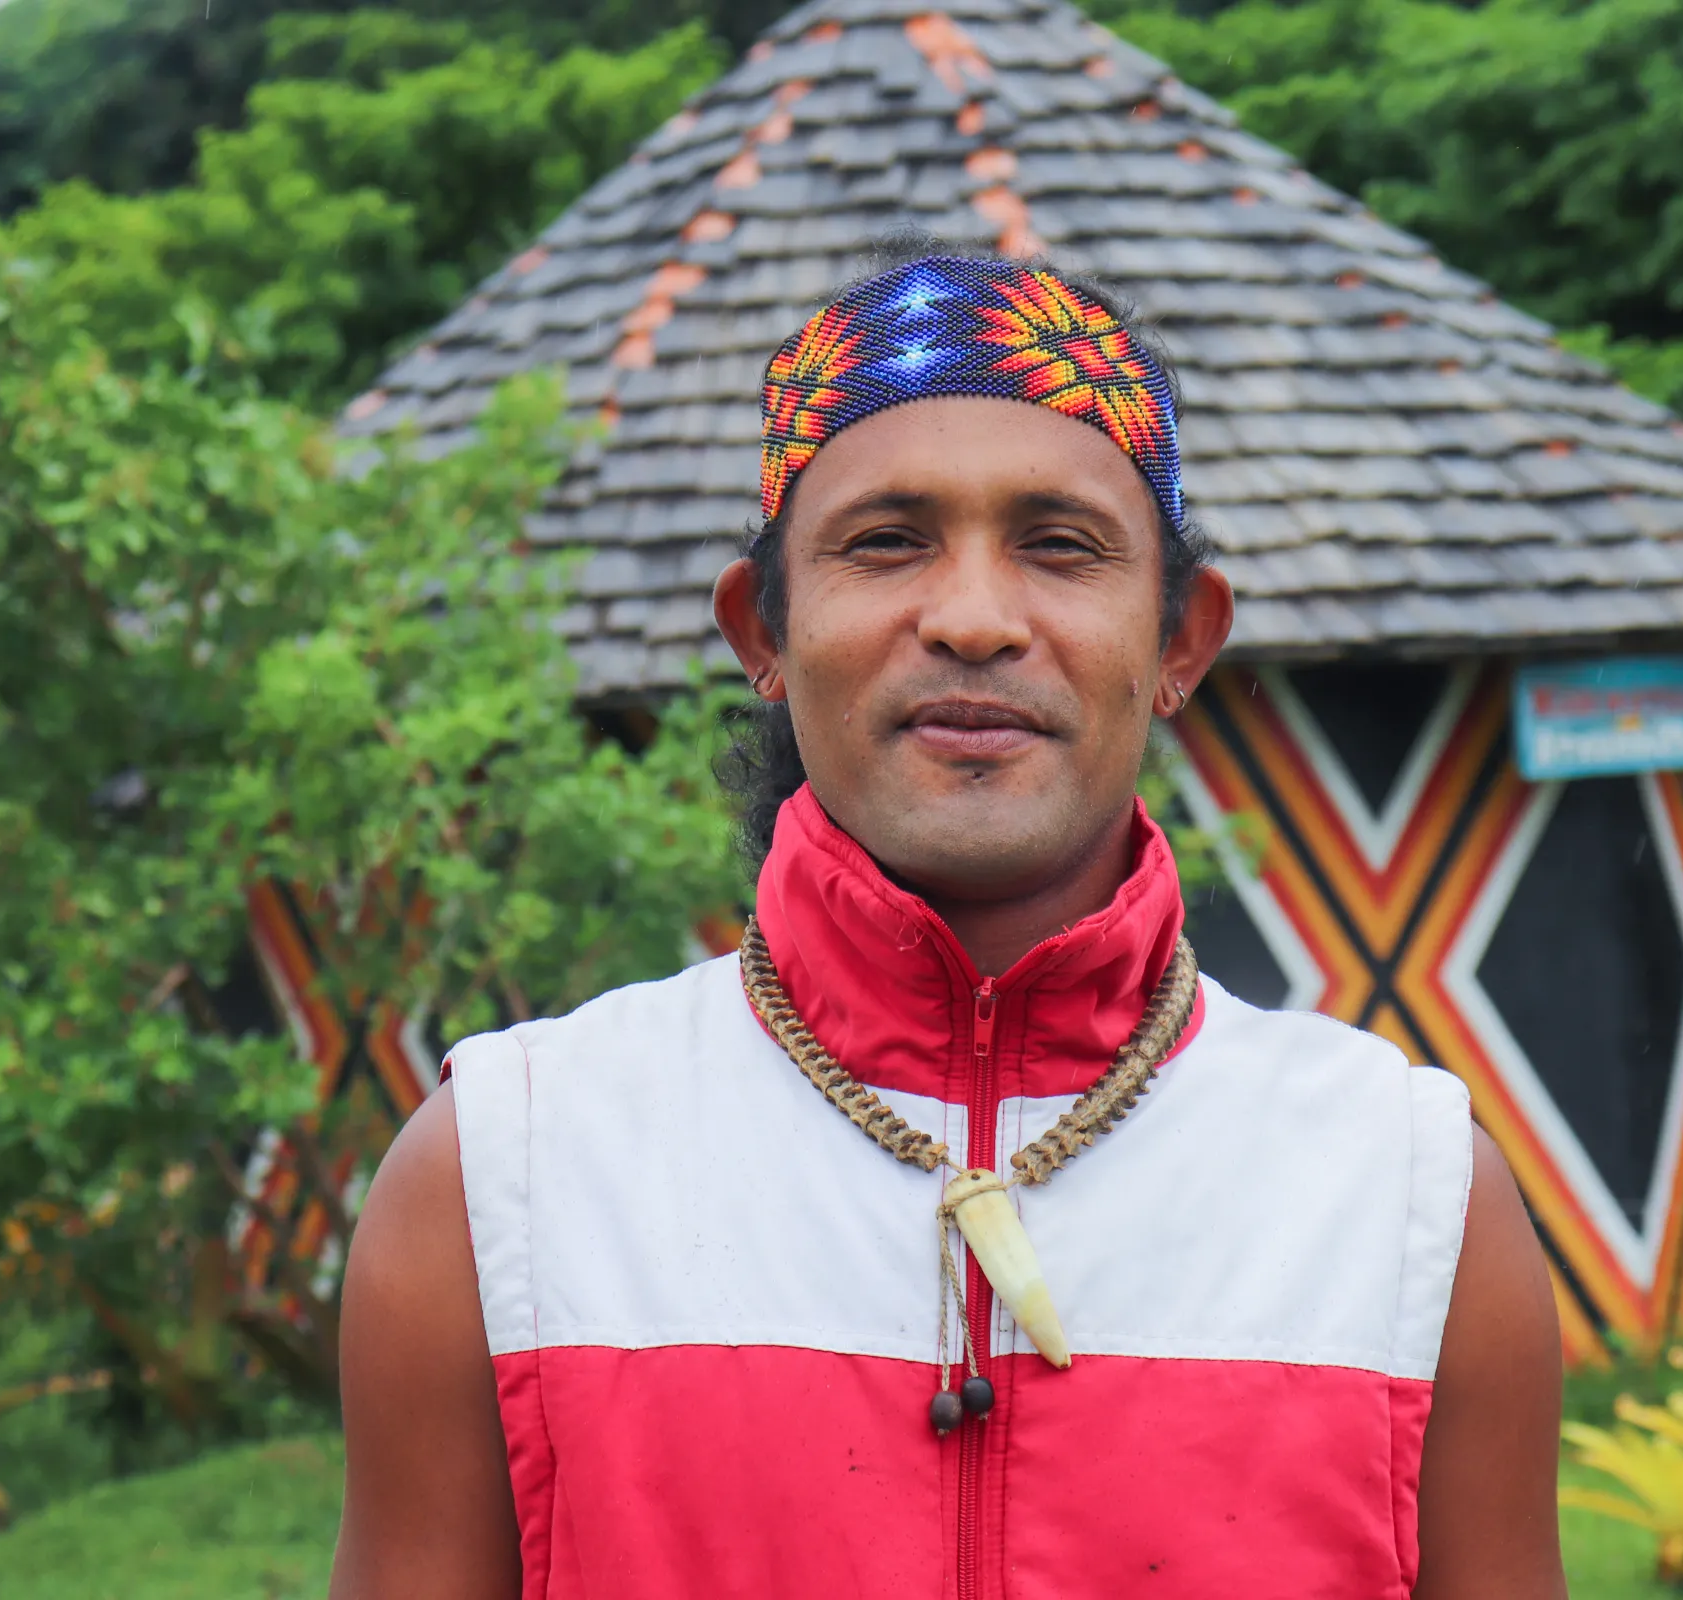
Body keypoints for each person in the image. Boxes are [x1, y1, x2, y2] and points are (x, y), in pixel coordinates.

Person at [331, 251, 1566, 1600]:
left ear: (1179, 644)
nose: (974, 619)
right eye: (886, 541)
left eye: (1060, 545)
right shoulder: (504, 1181)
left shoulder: (1409, 1205)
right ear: (765, 630)